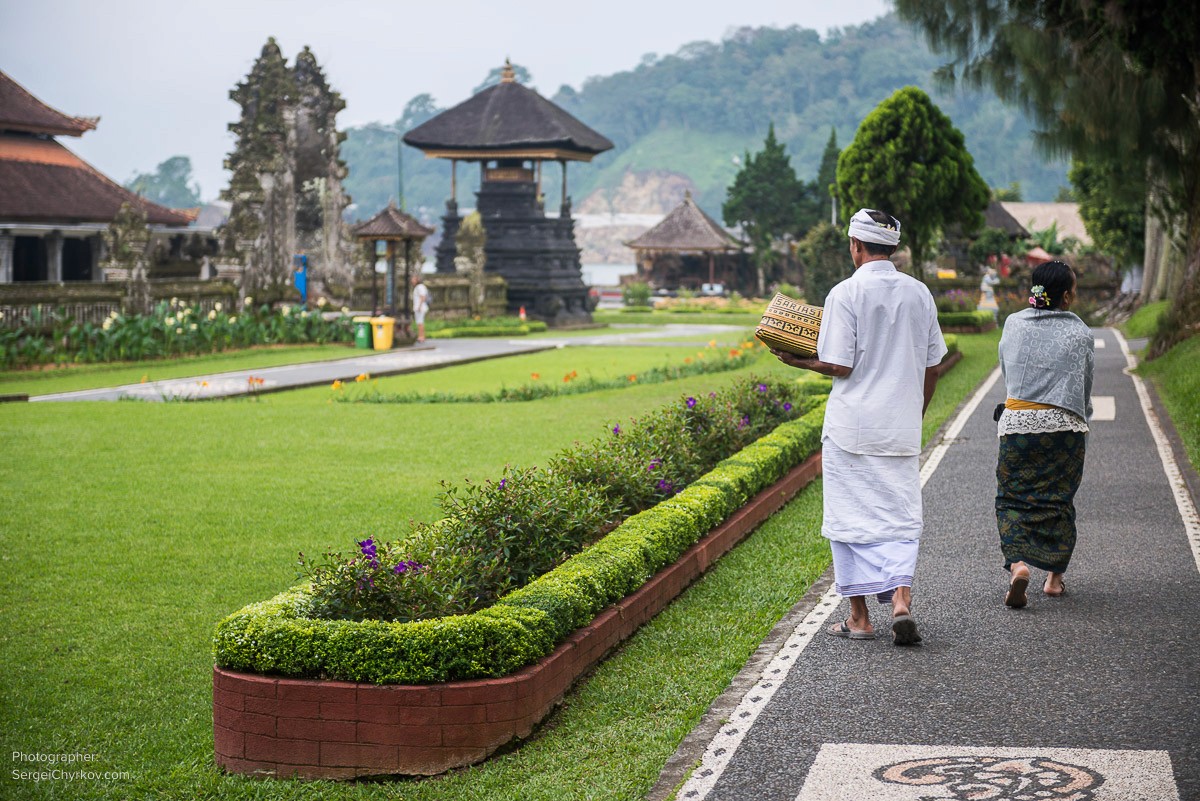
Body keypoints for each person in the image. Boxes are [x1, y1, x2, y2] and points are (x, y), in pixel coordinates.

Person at [770, 208, 946, 646]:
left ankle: (860, 618)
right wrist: (916, 412)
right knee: (901, 515)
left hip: (852, 428)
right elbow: (933, 364)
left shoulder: (844, 294)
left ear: (855, 246)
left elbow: (838, 364)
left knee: (849, 518)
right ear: (893, 248)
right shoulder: (919, 293)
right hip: (899, 428)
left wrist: (798, 360)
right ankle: (901, 599)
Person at [995, 260, 1093, 608]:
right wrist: (1084, 416)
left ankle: (1019, 565)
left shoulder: (1014, 323)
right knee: (1058, 501)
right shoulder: (1079, 332)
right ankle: (1054, 580)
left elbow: (1006, 370)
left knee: (1011, 500)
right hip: (1066, 432)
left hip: (1019, 426)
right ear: (1066, 296)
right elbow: (1084, 386)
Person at [411, 273, 431, 343]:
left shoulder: (420, 287)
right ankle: (421, 336)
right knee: (419, 322)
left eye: (413, 279)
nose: (412, 280)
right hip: (418, 307)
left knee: (420, 322)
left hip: (420, 308)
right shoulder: (418, 287)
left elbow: (423, 297)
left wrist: (419, 306)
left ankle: (421, 337)